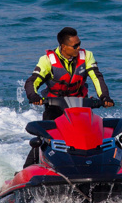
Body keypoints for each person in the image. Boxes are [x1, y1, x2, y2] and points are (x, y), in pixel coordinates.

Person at [22, 27, 114, 166]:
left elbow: (97, 77)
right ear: (64, 46)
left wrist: (104, 97)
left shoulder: (86, 56)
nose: (79, 48)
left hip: (80, 105)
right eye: (75, 46)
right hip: (54, 106)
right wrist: (33, 96)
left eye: (79, 44)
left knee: (88, 137)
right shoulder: (47, 60)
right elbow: (32, 81)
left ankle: (93, 165)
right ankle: (27, 169)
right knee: (45, 138)